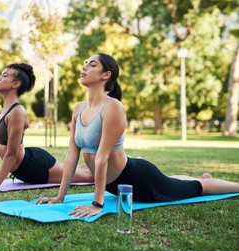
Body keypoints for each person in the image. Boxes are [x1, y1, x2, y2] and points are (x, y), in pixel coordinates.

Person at [36, 53, 239, 218]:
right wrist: (59, 197)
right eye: (85, 64)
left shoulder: (113, 107)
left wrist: (97, 204)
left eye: (91, 65)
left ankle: (222, 183)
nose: (84, 67)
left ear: (105, 75)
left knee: (195, 188)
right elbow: (72, 155)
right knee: (173, 181)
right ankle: (199, 178)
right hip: (115, 184)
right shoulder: (78, 108)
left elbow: (102, 156)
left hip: (138, 180)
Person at [0, 63, 93, 190]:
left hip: (35, 166)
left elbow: (12, 153)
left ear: (15, 84)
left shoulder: (17, 112)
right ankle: (96, 164)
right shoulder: (0, 113)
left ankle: (108, 164)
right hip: (24, 169)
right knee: (81, 171)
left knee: (89, 177)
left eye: (4, 75)